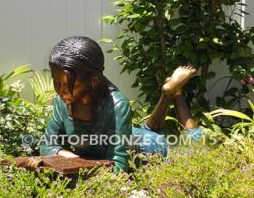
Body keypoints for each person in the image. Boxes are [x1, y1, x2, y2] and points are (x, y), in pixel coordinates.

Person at [39, 36, 203, 172]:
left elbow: (118, 166)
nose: (61, 91)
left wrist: (81, 166)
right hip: (133, 135)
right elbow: (47, 146)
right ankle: (168, 94)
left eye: (69, 86)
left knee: (195, 144)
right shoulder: (64, 102)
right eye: (56, 83)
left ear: (94, 81)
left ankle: (174, 95)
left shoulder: (117, 104)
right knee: (151, 130)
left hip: (149, 150)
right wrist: (76, 161)